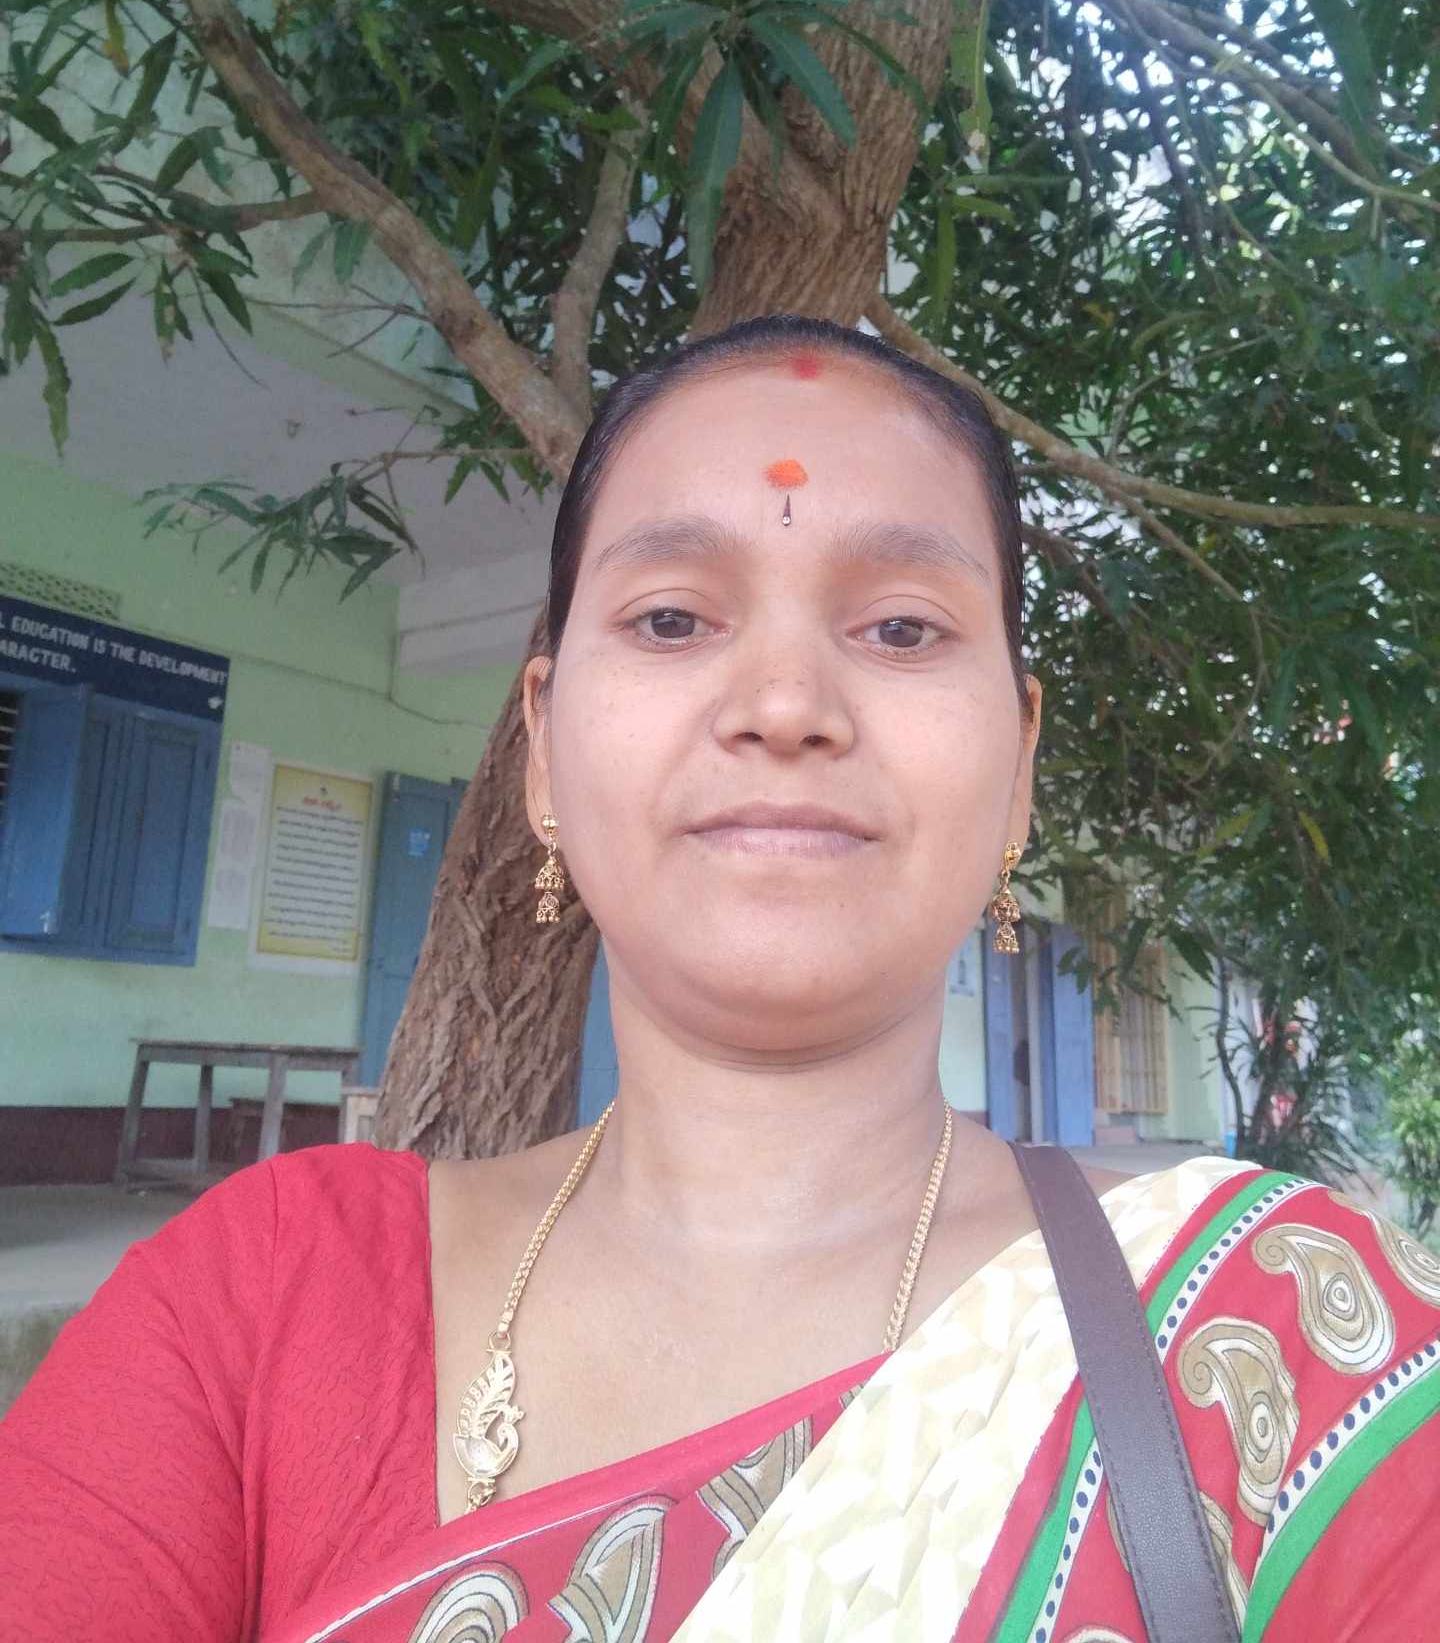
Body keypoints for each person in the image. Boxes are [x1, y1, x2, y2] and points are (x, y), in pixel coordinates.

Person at [2, 314, 1437, 1643]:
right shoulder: (258, 1303)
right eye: (673, 620)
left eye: (903, 628)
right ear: (544, 746)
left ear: (1018, 769)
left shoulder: (1286, 1335)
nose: (786, 706)